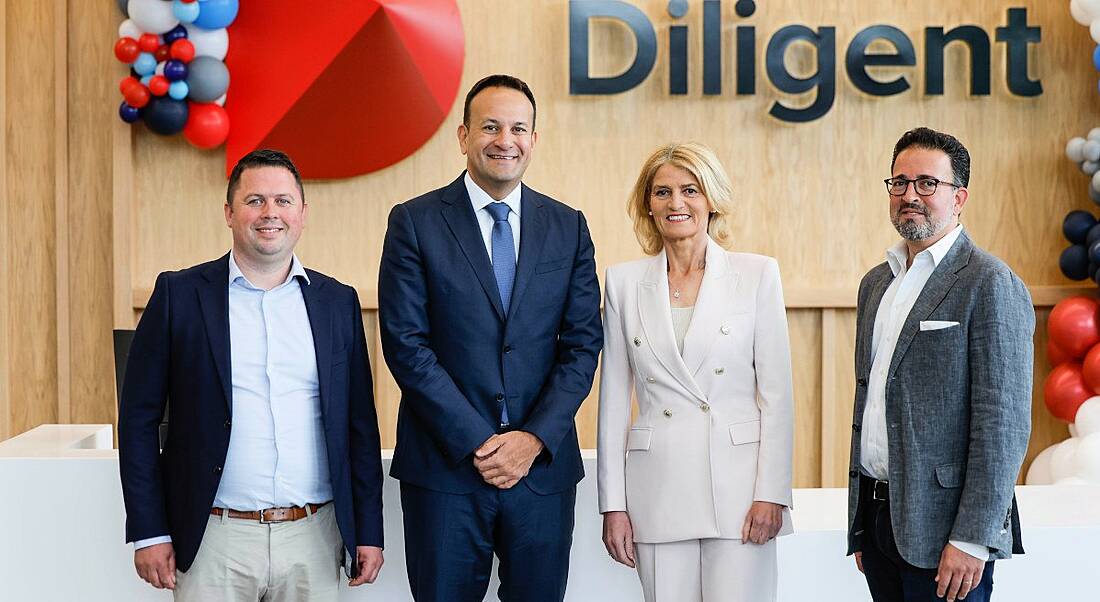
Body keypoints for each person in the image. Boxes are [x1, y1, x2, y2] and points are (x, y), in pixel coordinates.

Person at [118, 149, 385, 601]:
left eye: (283, 201)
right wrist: (149, 531)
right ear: (229, 212)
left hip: (314, 536)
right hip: (213, 538)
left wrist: (369, 531)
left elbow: (359, 423)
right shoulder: (178, 295)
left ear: (302, 213)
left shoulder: (337, 302)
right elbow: (138, 421)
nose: (270, 214)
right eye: (254, 200)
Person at [377, 74, 603, 602]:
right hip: (446, 469)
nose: (506, 140)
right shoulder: (414, 222)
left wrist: (532, 439)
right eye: (491, 126)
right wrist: (480, 442)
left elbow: (582, 345)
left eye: (519, 128)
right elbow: (406, 344)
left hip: (540, 471)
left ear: (534, 139)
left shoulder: (568, 226)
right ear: (463, 136)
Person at [597, 142, 795, 602]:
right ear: (648, 204)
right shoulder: (624, 283)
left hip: (741, 492)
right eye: (662, 192)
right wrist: (613, 505)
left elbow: (778, 398)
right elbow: (612, 404)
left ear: (711, 199)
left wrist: (773, 494)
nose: (676, 203)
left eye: (690, 190)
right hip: (657, 491)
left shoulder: (757, 275)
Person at [847, 127, 1033, 602]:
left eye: (927, 183)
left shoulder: (989, 282)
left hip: (949, 536)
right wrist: (863, 527)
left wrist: (973, 538)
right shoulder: (876, 285)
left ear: (959, 197)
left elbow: (1003, 423)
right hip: (879, 522)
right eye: (899, 183)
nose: (910, 195)